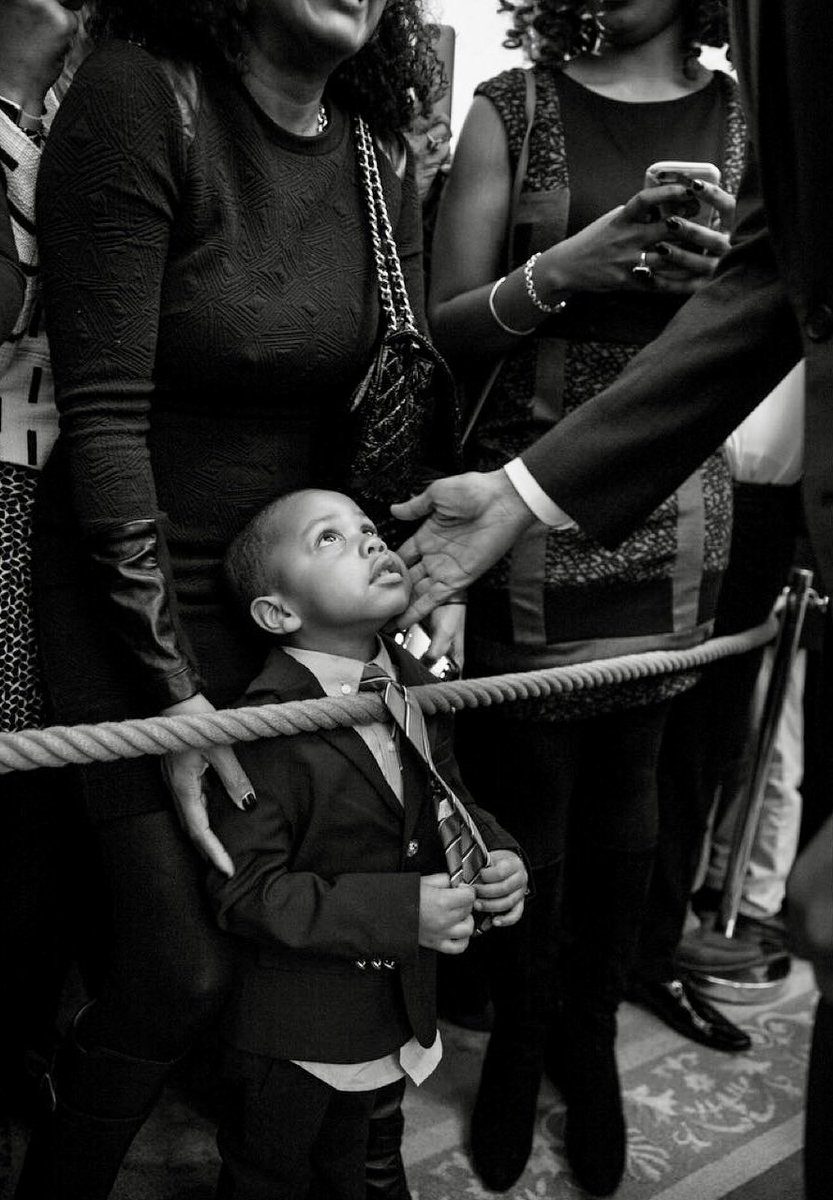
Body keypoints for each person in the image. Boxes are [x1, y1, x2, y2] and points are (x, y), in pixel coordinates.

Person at [391, 3, 833, 1198]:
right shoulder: (514, 105)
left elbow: (772, 301)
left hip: (676, 502)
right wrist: (564, 268)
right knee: (531, 797)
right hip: (526, 494)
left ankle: (587, 1046)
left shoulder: (747, 113)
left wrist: (724, 279)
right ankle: (517, 1040)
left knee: (636, 795)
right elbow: (438, 329)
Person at [16, 3, 456, 1197]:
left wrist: (404, 581)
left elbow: (387, 398)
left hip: (290, 599)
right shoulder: (139, 94)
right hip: (125, 594)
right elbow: (104, 421)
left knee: (286, 920)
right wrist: (175, 703)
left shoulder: (373, 151)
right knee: (183, 966)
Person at [204, 487, 527, 1200]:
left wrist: (498, 855)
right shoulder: (262, 726)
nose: (371, 541)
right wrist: (403, 913)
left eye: (367, 528)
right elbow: (246, 892)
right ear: (279, 613)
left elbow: (450, 798)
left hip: (395, 1003)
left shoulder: (417, 685)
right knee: (268, 1177)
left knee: (364, 1156)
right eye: (329, 538)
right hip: (297, 1031)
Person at [0, 0, 99, 1122]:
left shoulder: (103, 94)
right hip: (5, 491)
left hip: (74, 492)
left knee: (54, 809)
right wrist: (12, 87)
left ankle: (25, 1039)